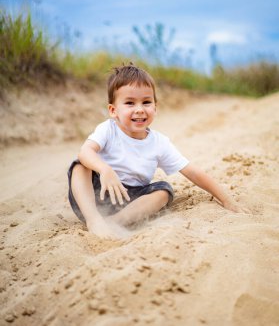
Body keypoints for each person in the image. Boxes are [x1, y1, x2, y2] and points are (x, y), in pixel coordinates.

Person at [67, 63, 249, 238]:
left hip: (130, 201)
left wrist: (226, 200)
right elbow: (85, 151)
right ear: (113, 110)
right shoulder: (108, 129)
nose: (139, 109)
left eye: (146, 102)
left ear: (155, 107)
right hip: (97, 194)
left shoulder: (159, 142)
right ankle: (94, 221)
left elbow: (192, 171)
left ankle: (116, 222)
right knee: (80, 165)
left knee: (163, 190)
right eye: (130, 103)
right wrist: (104, 169)